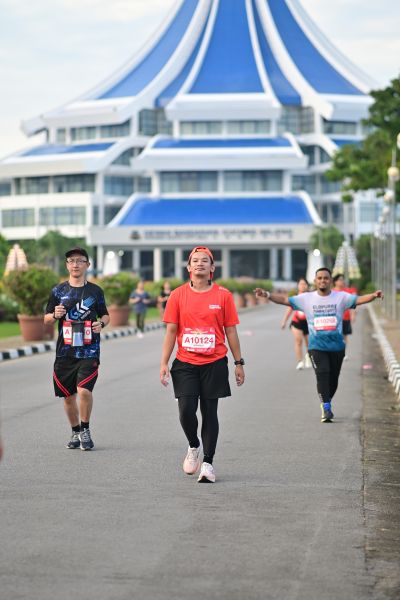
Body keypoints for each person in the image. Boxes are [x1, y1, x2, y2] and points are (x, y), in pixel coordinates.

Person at [160, 246, 245, 483]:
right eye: (195, 260)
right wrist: (164, 362)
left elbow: (231, 331)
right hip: (185, 362)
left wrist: (238, 363)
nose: (200, 263)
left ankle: (208, 463)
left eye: (205, 260)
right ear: (188, 267)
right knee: (186, 410)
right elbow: (171, 331)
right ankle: (193, 445)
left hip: (214, 362)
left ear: (212, 267)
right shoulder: (177, 295)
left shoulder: (223, 296)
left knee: (210, 412)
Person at [255, 267, 383, 423]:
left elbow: (358, 300)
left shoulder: (341, 297)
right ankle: (326, 408)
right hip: (316, 346)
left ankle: (327, 400)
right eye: (320, 278)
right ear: (315, 281)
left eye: (326, 278)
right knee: (322, 373)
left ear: (331, 281)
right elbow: (285, 300)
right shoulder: (306, 298)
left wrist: (373, 296)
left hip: (337, 347)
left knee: (333, 380)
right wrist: (267, 295)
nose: (323, 280)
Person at [44, 247, 109, 450]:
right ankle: (75, 431)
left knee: (84, 391)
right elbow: (46, 319)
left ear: (87, 265)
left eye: (80, 261)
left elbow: (105, 315)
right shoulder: (58, 291)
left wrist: (101, 324)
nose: (75, 264)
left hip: (89, 350)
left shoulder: (95, 291)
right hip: (65, 352)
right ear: (67, 265)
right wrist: (54, 315)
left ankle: (85, 429)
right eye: (71, 261)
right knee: (68, 396)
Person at [281, 277, 311, 370]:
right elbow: (289, 309)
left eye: (304, 284)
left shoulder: (312, 297)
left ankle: (308, 356)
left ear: (307, 286)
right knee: (298, 341)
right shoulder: (295, 298)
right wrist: (284, 321)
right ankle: (300, 361)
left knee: (309, 343)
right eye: (301, 284)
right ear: (298, 286)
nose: (303, 286)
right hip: (297, 322)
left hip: (308, 323)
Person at [333, 273, 355, 357]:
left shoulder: (347, 291)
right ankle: (336, 352)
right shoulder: (331, 292)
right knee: (336, 336)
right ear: (335, 282)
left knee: (344, 336)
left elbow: (352, 304)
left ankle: (343, 353)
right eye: (340, 280)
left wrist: (353, 315)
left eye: (343, 280)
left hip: (345, 317)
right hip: (334, 319)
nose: (342, 281)